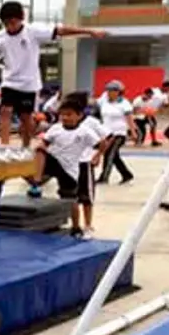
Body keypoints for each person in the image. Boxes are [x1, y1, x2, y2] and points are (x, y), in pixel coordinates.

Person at [0, 1, 106, 163]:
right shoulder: (0, 37)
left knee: (26, 118)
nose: (10, 27)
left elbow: (61, 31)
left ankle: (25, 148)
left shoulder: (33, 31)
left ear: (21, 19)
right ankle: (5, 149)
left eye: (13, 22)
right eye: (6, 24)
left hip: (29, 84)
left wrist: (88, 31)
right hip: (10, 81)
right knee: (5, 112)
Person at [30, 97, 104, 239]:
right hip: (55, 161)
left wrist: (97, 155)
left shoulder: (84, 131)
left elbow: (102, 143)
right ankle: (36, 182)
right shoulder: (56, 128)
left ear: (79, 116)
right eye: (62, 115)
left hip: (70, 169)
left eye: (69, 115)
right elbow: (44, 142)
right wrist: (40, 148)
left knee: (71, 199)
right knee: (39, 150)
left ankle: (76, 227)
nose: (65, 118)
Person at [95, 80, 137, 185]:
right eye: (108, 90)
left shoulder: (124, 103)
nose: (109, 92)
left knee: (109, 154)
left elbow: (129, 118)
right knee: (115, 156)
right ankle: (127, 175)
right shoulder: (104, 101)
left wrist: (133, 132)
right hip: (106, 133)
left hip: (119, 133)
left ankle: (104, 177)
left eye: (112, 90)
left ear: (119, 92)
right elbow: (95, 104)